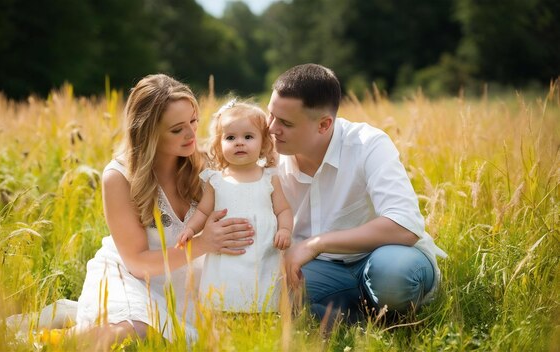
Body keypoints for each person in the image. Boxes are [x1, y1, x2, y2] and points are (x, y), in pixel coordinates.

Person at [74, 74, 254, 344]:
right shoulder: (119, 176)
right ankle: (65, 337)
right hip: (132, 278)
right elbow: (136, 262)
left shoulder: (206, 165)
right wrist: (202, 244)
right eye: (177, 129)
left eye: (194, 121)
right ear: (148, 132)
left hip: (189, 281)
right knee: (128, 334)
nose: (192, 134)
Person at [267, 64, 447, 324]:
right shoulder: (264, 154)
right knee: (275, 291)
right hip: (320, 269)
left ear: (324, 124)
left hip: (384, 257)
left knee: (395, 277)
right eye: (270, 115)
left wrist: (317, 243)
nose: (272, 128)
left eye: (285, 123)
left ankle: (369, 309)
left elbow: (405, 224)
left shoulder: (368, 144)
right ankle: (366, 320)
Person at [177, 100, 293, 312]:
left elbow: (283, 209)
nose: (239, 142)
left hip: (263, 248)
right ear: (219, 145)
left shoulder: (269, 177)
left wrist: (285, 229)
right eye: (230, 138)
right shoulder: (216, 180)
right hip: (227, 250)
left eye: (248, 137)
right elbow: (203, 211)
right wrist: (191, 229)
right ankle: (224, 314)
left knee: (263, 286)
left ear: (263, 143)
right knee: (226, 287)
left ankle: (263, 314)